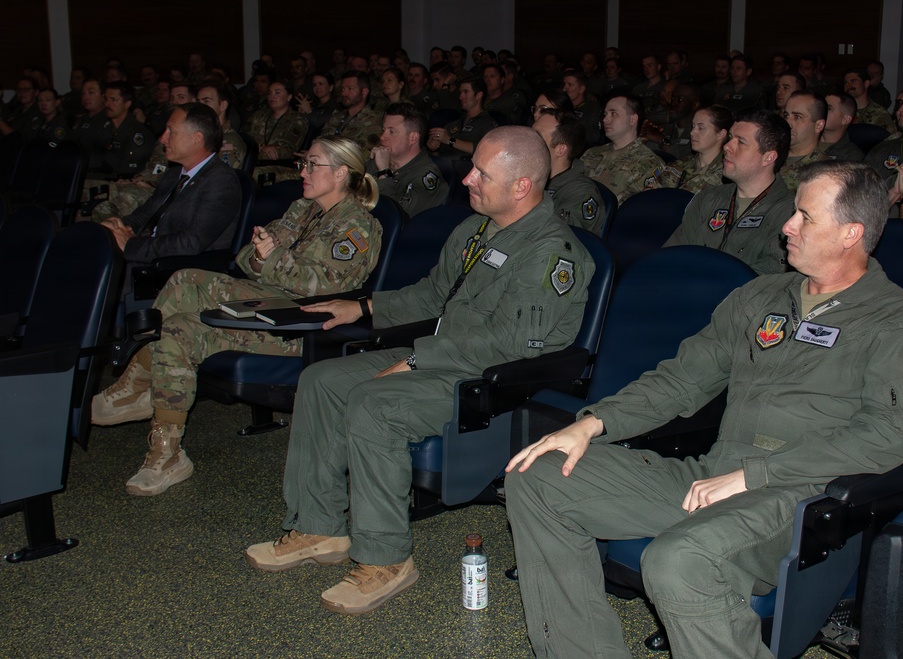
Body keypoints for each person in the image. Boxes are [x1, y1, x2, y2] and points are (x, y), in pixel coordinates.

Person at [505, 160, 903, 659]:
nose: (786, 226)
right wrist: (594, 423)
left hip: (797, 495)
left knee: (677, 561)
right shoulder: (760, 296)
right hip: (713, 475)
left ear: (850, 233)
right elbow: (682, 379)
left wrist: (756, 474)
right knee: (538, 474)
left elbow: (893, 434)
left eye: (804, 217)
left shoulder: (893, 318)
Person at [243, 126, 594, 618]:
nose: (466, 177)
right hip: (441, 358)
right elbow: (432, 295)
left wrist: (415, 360)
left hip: (491, 378)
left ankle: (386, 559)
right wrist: (361, 306)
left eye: (482, 173)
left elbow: (509, 345)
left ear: (521, 186)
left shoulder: (551, 252)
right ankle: (319, 524)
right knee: (320, 380)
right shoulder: (476, 230)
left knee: (374, 403)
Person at [92, 136, 383, 496]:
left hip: (298, 326)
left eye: (312, 165)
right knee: (179, 328)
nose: (303, 172)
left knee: (186, 281)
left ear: (340, 174)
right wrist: (264, 258)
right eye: (303, 164)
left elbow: (322, 286)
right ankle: (167, 452)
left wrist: (271, 259)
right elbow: (246, 257)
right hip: (262, 309)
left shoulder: (358, 228)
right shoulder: (300, 209)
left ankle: (138, 379)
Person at [99, 102, 241, 264]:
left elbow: (191, 243)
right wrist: (118, 227)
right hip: (147, 256)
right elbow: (146, 214)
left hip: (178, 270)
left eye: (171, 132)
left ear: (197, 139)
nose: (163, 138)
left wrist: (131, 245)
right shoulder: (175, 174)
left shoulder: (221, 181)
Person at [664, 109, 793, 274]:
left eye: (740, 142)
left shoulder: (791, 213)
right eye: (731, 138)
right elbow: (671, 255)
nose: (726, 146)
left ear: (768, 158)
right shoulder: (707, 198)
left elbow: (769, 279)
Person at [580, 94, 666, 204]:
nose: (605, 119)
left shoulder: (648, 163)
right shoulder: (591, 153)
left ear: (633, 120)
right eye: (605, 114)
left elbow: (638, 210)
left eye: (613, 114)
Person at [367, 102, 449, 217]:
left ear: (413, 138)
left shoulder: (425, 176)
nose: (382, 137)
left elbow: (394, 218)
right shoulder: (376, 160)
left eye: (391, 131)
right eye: (383, 130)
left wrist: (384, 172)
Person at [533, 108, 605, 233]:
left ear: (561, 149)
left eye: (537, 137)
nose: (527, 141)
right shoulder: (529, 176)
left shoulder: (581, 194)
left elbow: (560, 240)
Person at [245, 79, 308, 187]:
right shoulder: (259, 115)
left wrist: (254, 151)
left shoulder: (297, 120)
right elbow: (244, 138)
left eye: (277, 93)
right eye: (269, 93)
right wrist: (260, 148)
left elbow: (287, 150)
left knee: (250, 175)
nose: (272, 96)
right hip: (254, 161)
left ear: (289, 97)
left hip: (283, 166)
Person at [660, 104, 734, 194]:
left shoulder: (729, 174)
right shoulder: (679, 165)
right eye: (693, 126)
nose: (692, 132)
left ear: (721, 134)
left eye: (701, 128)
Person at [426, 77, 497, 157]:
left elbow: (485, 150)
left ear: (478, 95)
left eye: (466, 92)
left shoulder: (487, 123)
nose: (461, 97)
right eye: (460, 93)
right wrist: (434, 148)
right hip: (445, 165)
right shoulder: (455, 123)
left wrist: (450, 140)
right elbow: (439, 154)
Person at [779, 91, 829, 190]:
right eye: (786, 116)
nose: (788, 123)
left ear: (818, 126)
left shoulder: (824, 172)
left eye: (797, 117)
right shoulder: (768, 157)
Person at [819, 93, 865, 161]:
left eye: (829, 108)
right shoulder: (805, 138)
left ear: (845, 120)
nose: (821, 111)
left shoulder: (851, 156)